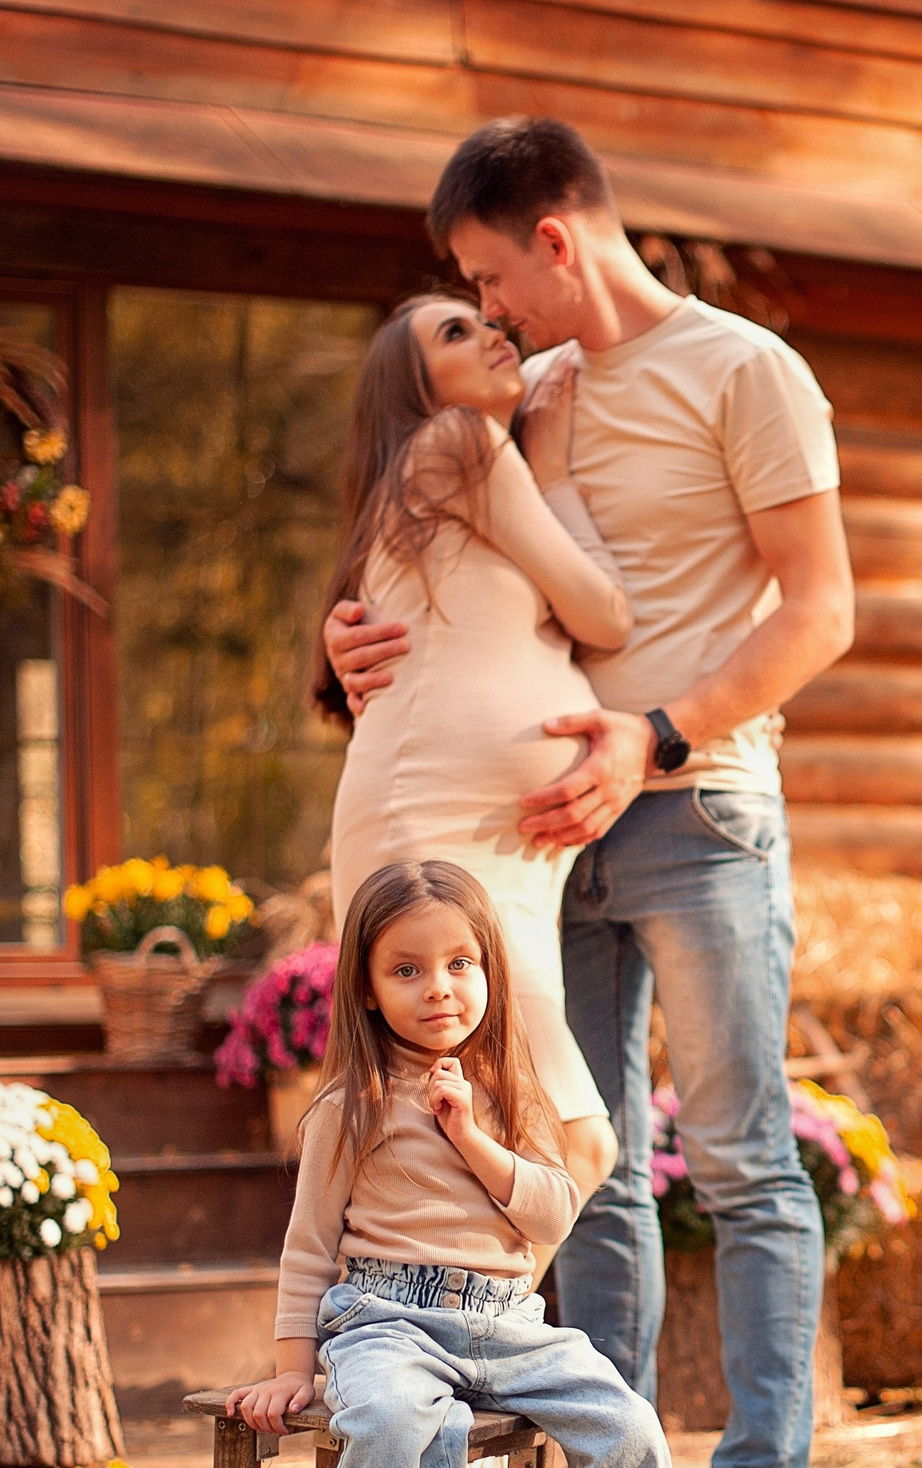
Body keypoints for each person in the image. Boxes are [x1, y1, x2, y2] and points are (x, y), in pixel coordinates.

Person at [326, 117, 853, 1468]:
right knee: (586, 1160)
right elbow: (443, 556)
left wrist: (655, 738)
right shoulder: (520, 391)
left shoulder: (745, 370)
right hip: (540, 837)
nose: (490, 312)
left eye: (496, 277)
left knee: (746, 1160)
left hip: (696, 807)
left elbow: (820, 613)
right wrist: (345, 638)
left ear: (556, 241)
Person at [228, 860, 671, 1468]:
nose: (439, 989)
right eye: (408, 970)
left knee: (630, 1431)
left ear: (489, 974)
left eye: (460, 964)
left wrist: (470, 1133)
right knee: (390, 1421)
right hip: (387, 1317)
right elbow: (309, 1248)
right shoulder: (347, 1107)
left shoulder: (510, 1093)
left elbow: (551, 1208)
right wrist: (292, 1370)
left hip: (507, 1320)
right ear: (365, 988)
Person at [313, 288, 630, 1204]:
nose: (492, 334)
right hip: (438, 826)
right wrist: (558, 467)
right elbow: (603, 611)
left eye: (488, 321)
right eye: (457, 332)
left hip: (492, 840)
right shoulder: (457, 441)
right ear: (414, 385)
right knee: (566, 1138)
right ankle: (443, 1331)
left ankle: (443, 1330)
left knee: (484, 1132)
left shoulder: (423, 479)